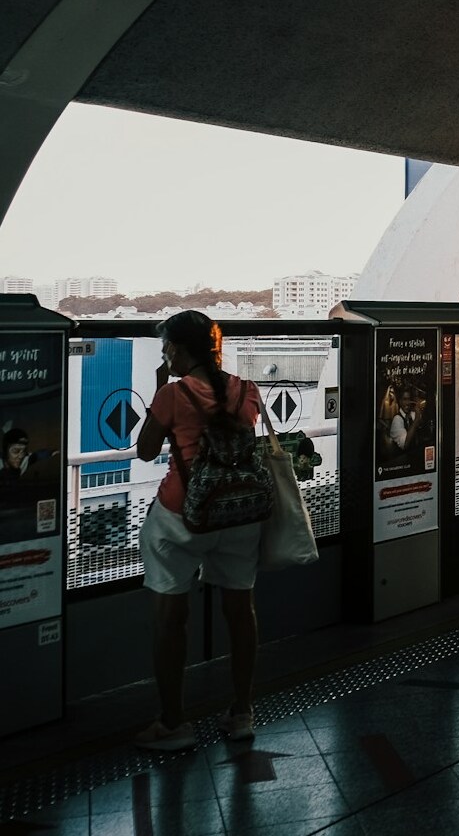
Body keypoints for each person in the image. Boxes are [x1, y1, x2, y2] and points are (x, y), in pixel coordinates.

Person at [132, 310, 265, 751]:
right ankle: (242, 711)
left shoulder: (173, 393)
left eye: (167, 345)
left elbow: (145, 450)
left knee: (171, 618)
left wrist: (158, 396)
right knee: (240, 609)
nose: (164, 352)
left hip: (182, 518)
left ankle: (173, 723)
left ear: (181, 348)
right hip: (241, 514)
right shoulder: (246, 390)